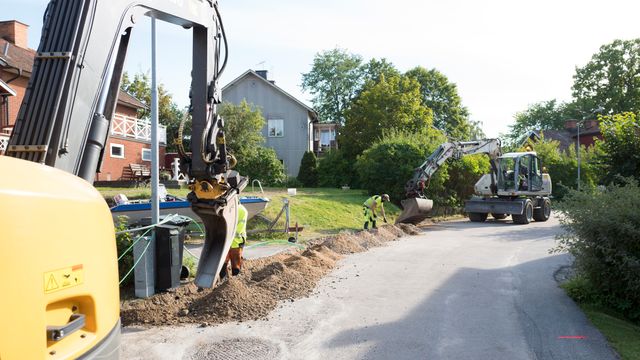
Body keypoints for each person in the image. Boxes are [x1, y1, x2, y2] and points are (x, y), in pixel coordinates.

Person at [219, 204, 248, 279]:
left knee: (225, 264)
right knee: (234, 265)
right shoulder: (242, 209)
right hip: (234, 242)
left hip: (232, 242)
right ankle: (233, 282)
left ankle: (229, 283)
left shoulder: (228, 209)